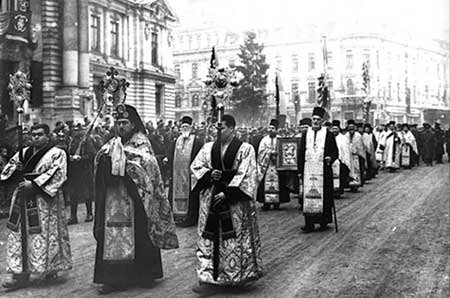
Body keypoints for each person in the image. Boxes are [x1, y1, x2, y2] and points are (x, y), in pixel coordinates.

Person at [93, 104, 179, 294]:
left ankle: (145, 274)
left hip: (136, 198)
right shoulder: (113, 142)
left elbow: (147, 165)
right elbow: (99, 159)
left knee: (140, 233)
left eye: (124, 122)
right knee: (113, 235)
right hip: (113, 197)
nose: (121, 126)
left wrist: (126, 166)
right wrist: (106, 164)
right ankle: (112, 278)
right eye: (118, 122)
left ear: (133, 124)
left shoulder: (141, 142)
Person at [190, 114, 262, 293]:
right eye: (215, 127)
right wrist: (209, 174)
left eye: (221, 128)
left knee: (233, 237)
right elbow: (196, 167)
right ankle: (208, 278)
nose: (217, 131)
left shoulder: (245, 149)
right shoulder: (208, 148)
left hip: (234, 202)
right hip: (211, 197)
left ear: (232, 128)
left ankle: (235, 277)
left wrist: (228, 193)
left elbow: (248, 174)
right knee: (209, 237)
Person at [1, 124, 72, 290]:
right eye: (33, 135)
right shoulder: (23, 152)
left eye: (40, 135)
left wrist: (34, 184)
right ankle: (20, 274)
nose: (36, 138)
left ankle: (50, 270)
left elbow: (57, 173)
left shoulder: (57, 153)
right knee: (19, 235)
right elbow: (8, 169)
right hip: (22, 198)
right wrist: (16, 171)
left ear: (48, 136)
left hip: (44, 201)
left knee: (47, 233)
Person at [298, 107, 338, 233]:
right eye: (313, 119)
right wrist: (300, 170)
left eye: (318, 120)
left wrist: (330, 157)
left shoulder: (328, 134)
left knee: (324, 195)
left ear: (322, 121)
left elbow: (335, 151)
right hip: (308, 170)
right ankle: (309, 223)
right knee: (309, 196)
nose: (315, 122)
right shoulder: (306, 134)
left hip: (323, 170)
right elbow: (301, 153)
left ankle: (323, 221)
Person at [165, 116, 203, 226]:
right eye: (183, 127)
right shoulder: (176, 140)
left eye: (187, 127)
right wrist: (167, 158)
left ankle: (189, 218)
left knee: (191, 195)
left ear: (191, 128)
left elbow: (200, 155)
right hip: (177, 174)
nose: (185, 128)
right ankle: (176, 217)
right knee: (175, 193)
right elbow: (170, 152)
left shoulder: (196, 141)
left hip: (189, 175)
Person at [256, 119, 291, 210]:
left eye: (273, 128)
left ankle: (277, 202)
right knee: (265, 183)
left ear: (276, 129)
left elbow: (284, 151)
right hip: (267, 165)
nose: (271, 130)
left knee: (279, 183)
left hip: (277, 165)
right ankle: (266, 203)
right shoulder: (264, 140)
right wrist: (270, 153)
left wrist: (277, 153)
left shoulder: (280, 139)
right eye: (270, 128)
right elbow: (260, 152)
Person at [66, 124, 96, 224]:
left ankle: (89, 214)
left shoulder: (86, 141)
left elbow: (92, 155)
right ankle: (73, 216)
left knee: (86, 193)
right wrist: (69, 158)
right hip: (73, 171)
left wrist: (81, 158)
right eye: (74, 131)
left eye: (77, 131)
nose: (75, 133)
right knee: (73, 195)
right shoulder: (71, 141)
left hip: (84, 170)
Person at [330, 120, 351, 197]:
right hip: (332, 161)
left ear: (339, 129)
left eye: (336, 129)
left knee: (341, 177)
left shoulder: (343, 138)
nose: (334, 130)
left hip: (341, 160)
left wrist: (346, 162)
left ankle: (339, 191)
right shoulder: (330, 137)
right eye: (333, 129)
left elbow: (346, 151)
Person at [345, 120, 365, 192]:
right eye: (350, 128)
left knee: (357, 171)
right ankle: (350, 184)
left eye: (352, 128)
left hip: (357, 156)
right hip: (349, 156)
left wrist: (360, 154)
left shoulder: (358, 136)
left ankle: (356, 185)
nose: (351, 130)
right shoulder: (346, 136)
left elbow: (361, 146)